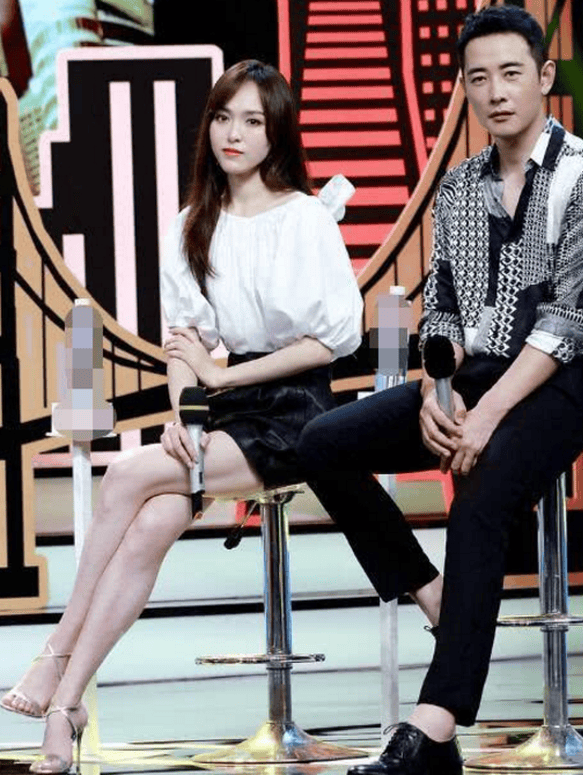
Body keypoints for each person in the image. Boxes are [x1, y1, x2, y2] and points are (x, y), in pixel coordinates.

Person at [296, 6, 583, 774]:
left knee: (479, 486)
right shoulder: (457, 188)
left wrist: (483, 417)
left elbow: (568, 322)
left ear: (544, 76)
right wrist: (435, 390)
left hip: (571, 377)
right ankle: (436, 596)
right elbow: (444, 308)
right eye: (478, 78)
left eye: (511, 73)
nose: (496, 92)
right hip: (477, 375)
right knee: (322, 441)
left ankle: (435, 727)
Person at [1, 60, 362, 773]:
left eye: (253, 120)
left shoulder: (306, 218)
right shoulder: (191, 225)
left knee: (127, 476)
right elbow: (182, 345)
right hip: (227, 407)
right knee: (154, 519)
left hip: (298, 407)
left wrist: (220, 376)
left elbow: (329, 342)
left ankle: (54, 653)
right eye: (224, 117)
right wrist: (185, 415)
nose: (235, 133)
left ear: (277, 133)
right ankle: (67, 706)